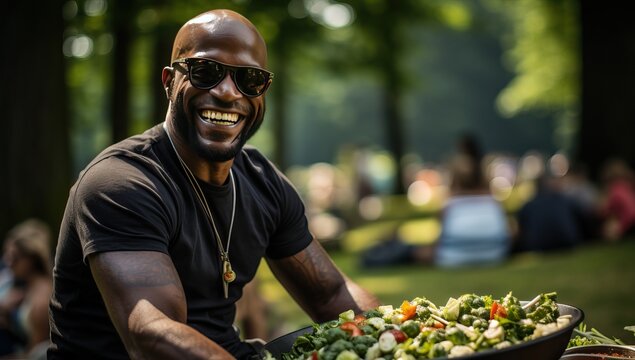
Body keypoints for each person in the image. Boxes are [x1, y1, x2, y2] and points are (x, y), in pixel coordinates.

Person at [48, 9, 379, 360]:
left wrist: (401, 337)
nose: (226, 92)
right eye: (206, 72)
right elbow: (152, 335)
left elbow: (331, 294)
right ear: (169, 82)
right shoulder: (120, 184)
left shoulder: (261, 182)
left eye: (249, 79)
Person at [0, 219, 52, 359]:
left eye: (14, 258)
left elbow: (35, 354)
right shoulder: (26, 287)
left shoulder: (42, 300)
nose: (8, 263)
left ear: (31, 259)